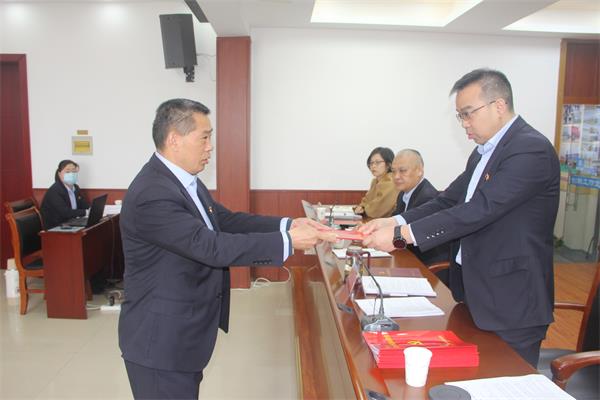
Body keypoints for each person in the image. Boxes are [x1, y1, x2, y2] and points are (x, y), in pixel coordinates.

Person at [118, 98, 336, 400]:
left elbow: (225, 220)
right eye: (204, 138)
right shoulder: (153, 193)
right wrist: (288, 241)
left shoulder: (184, 181)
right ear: (174, 140)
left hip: (182, 334)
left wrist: (288, 224)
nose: (210, 147)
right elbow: (209, 246)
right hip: (160, 340)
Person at [360, 69, 560, 368]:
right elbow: (447, 200)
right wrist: (395, 222)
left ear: (499, 105)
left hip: (511, 298)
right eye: (460, 116)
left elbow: (480, 209)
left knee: (507, 380)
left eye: (468, 113)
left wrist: (403, 236)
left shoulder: (530, 149)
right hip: (473, 292)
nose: (465, 123)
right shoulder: (482, 153)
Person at [391, 149, 450, 271]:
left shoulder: (427, 197)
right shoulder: (403, 194)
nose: (396, 176)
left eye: (402, 171)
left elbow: (413, 237)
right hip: (409, 256)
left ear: (419, 171)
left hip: (427, 265)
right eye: (393, 171)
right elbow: (395, 222)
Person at [40, 159, 89, 229]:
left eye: (74, 171)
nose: (71, 174)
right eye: (67, 172)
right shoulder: (54, 191)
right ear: (59, 174)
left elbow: (84, 205)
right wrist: (86, 212)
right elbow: (66, 212)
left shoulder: (76, 187)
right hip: (55, 226)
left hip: (71, 222)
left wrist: (93, 210)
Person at [354, 147, 399, 218]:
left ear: (388, 164)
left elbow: (377, 210)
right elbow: (366, 201)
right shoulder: (375, 181)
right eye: (371, 163)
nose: (373, 166)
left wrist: (363, 209)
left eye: (378, 162)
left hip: (387, 223)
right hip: (373, 220)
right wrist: (361, 207)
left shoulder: (391, 182)